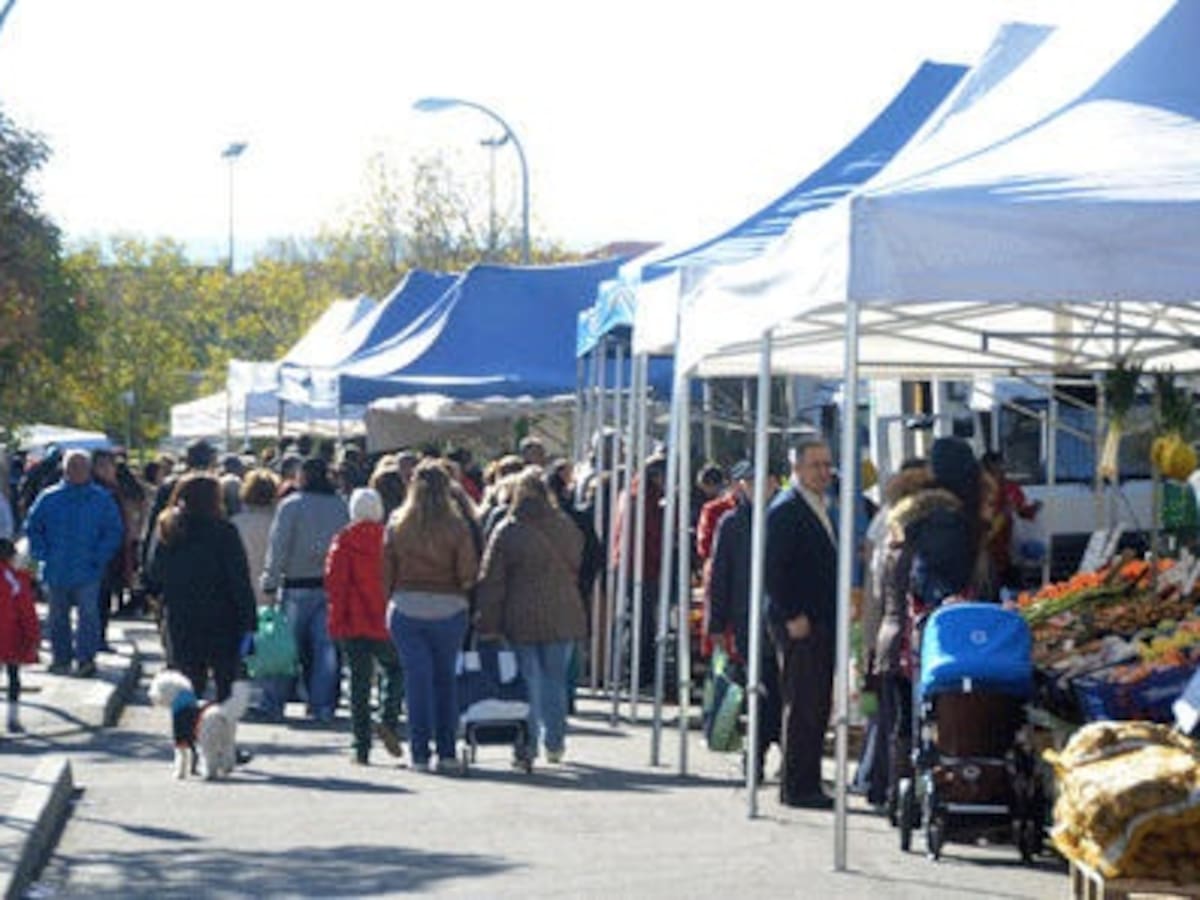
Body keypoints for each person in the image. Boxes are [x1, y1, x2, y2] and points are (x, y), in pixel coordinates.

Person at [477, 468, 585, 765]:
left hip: (519, 614)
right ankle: (555, 743)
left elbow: (491, 580)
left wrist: (487, 621)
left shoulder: (508, 529)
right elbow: (578, 560)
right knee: (555, 681)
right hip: (563, 611)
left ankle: (527, 745)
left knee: (527, 682)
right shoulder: (565, 525)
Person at [383, 460, 479, 772]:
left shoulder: (398, 522)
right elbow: (468, 573)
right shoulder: (458, 526)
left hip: (406, 606)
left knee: (416, 681)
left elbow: (386, 572)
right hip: (449, 608)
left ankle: (420, 753)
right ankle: (447, 751)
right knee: (445, 681)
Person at [764, 439, 837, 809]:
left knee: (816, 703)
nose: (824, 472)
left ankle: (808, 779)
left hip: (819, 619)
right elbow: (772, 569)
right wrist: (791, 614)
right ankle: (797, 785)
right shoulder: (787, 508)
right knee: (803, 703)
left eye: (827, 465)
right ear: (796, 469)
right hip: (799, 622)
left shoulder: (818, 504)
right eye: (815, 465)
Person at [706, 458, 784, 782]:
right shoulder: (732, 522)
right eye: (748, 482)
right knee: (759, 689)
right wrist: (716, 623)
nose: (753, 488)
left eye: (761, 481)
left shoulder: (785, 516)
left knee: (781, 690)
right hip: (748, 619)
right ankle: (757, 754)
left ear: (775, 483)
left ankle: (775, 751)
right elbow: (720, 575)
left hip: (783, 617)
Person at [146, 474, 256, 701]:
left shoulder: (170, 529)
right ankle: (221, 721)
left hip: (182, 615)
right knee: (225, 682)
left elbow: (155, 574)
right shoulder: (225, 531)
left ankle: (186, 722)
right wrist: (249, 620)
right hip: (223, 617)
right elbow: (239, 579)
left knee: (187, 682)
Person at [261, 458, 349, 722]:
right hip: (330, 587)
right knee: (325, 650)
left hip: (296, 584)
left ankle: (274, 702)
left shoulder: (291, 505)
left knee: (285, 648)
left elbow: (279, 546)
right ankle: (322, 705)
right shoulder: (341, 506)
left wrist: (270, 580)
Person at [25, 450, 124, 677]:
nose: (76, 471)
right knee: (57, 616)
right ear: (64, 469)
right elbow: (33, 527)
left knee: (88, 616)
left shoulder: (102, 499)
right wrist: (42, 553)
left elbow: (113, 531)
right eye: (72, 466)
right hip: (56, 568)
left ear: (89, 470)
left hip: (88, 569)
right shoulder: (49, 497)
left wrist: (99, 557)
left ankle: (86, 659)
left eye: (81, 466)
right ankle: (61, 658)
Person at [325, 488, 404, 766]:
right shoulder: (389, 539)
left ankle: (361, 746)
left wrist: (335, 621)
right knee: (396, 669)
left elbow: (335, 585)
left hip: (353, 619)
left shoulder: (344, 540)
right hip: (384, 618)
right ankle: (388, 718)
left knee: (358, 683)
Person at [980, 451, 1041, 592]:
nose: (1001, 468)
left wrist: (1033, 509)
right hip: (986, 551)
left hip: (1005, 549)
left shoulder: (1010, 488)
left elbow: (1022, 511)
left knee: (1011, 585)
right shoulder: (979, 488)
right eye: (997, 465)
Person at [0, 538, 40, 733]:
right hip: (11, 636)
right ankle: (12, 719)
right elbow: (26, 612)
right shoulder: (16, 579)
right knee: (13, 677)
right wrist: (33, 637)